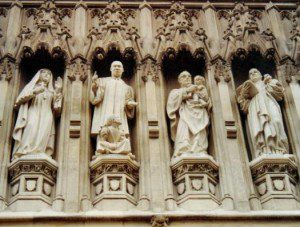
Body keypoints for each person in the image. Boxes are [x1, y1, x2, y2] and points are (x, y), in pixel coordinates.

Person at [237, 68, 288, 157]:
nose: (253, 74)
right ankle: (264, 149)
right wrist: (244, 94)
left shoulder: (268, 82)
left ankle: (279, 148)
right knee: (259, 127)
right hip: (255, 107)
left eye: (255, 72)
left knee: (276, 121)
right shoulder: (247, 87)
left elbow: (280, 93)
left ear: (260, 74)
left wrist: (268, 82)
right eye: (250, 73)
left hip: (268, 102)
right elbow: (244, 107)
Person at [12, 69, 62, 160]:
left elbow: (57, 108)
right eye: (44, 73)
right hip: (33, 111)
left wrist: (58, 90)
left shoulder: (51, 91)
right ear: (39, 75)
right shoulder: (32, 87)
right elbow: (19, 101)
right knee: (31, 127)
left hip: (47, 114)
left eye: (49, 74)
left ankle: (40, 151)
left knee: (44, 132)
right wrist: (35, 91)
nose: (47, 75)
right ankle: (25, 151)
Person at [90, 61, 137, 146]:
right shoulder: (102, 82)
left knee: (121, 132)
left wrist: (130, 105)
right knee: (103, 131)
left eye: (119, 66)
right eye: (114, 66)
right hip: (104, 115)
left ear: (122, 70)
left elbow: (128, 102)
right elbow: (95, 99)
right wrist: (94, 85)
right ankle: (102, 147)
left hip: (119, 117)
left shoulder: (127, 88)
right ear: (110, 69)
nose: (117, 68)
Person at [166, 71, 210, 158]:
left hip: (199, 115)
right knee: (184, 132)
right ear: (179, 80)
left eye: (189, 76)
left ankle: (199, 149)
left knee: (200, 132)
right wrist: (187, 90)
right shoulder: (175, 91)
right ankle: (183, 150)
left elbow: (206, 100)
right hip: (185, 115)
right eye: (184, 76)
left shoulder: (198, 90)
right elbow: (171, 103)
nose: (187, 78)